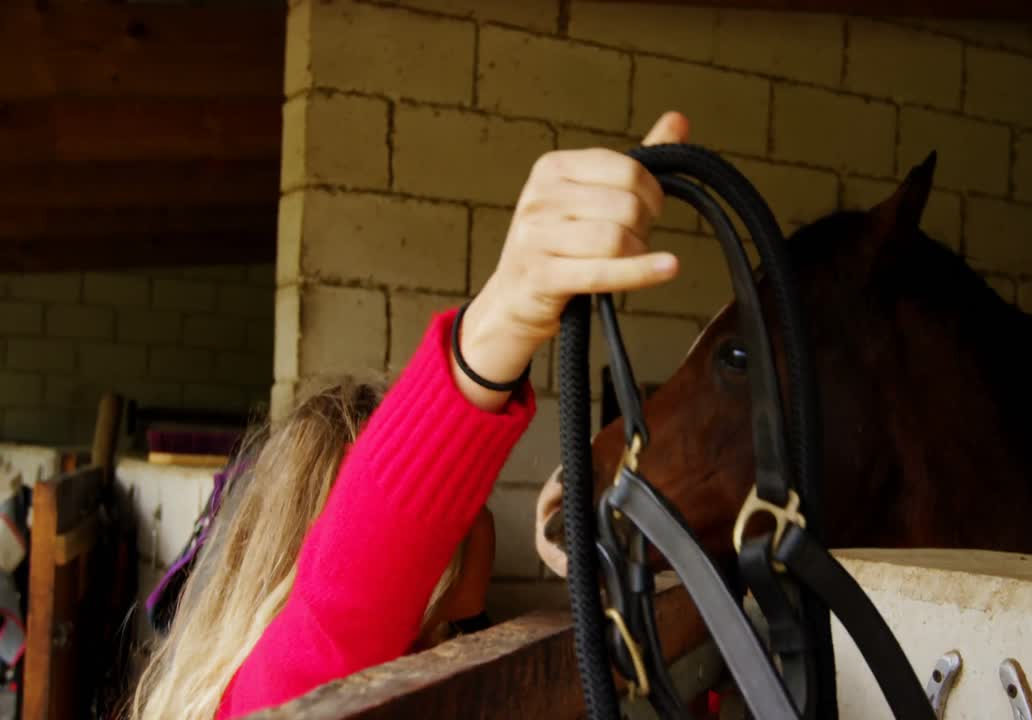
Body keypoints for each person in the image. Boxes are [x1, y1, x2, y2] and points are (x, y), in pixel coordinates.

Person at [130, 111, 691, 720]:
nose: (469, 509)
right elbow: (347, 599)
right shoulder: (270, 700)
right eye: (416, 634)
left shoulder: (432, 649)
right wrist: (503, 320)